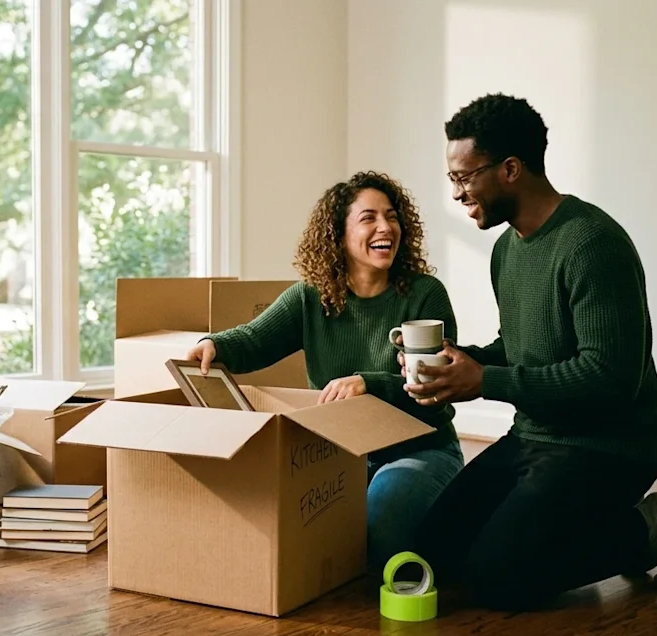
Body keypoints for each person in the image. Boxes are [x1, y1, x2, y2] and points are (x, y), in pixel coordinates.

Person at [402, 93, 657, 611]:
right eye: (453, 178)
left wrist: (485, 381)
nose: (456, 193)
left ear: (510, 169)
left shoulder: (592, 243)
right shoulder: (506, 249)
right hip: (536, 435)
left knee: (495, 579)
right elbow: (519, 347)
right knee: (432, 555)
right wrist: (457, 361)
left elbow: (610, 377)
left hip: (610, 445)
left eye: (464, 177)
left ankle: (645, 529)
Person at [186, 171, 465, 569]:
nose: (385, 227)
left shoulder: (425, 295)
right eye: (368, 218)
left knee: (382, 516)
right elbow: (253, 340)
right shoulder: (310, 298)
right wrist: (214, 344)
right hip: (339, 453)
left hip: (421, 448)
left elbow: (436, 393)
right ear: (338, 234)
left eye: (392, 216)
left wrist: (369, 384)